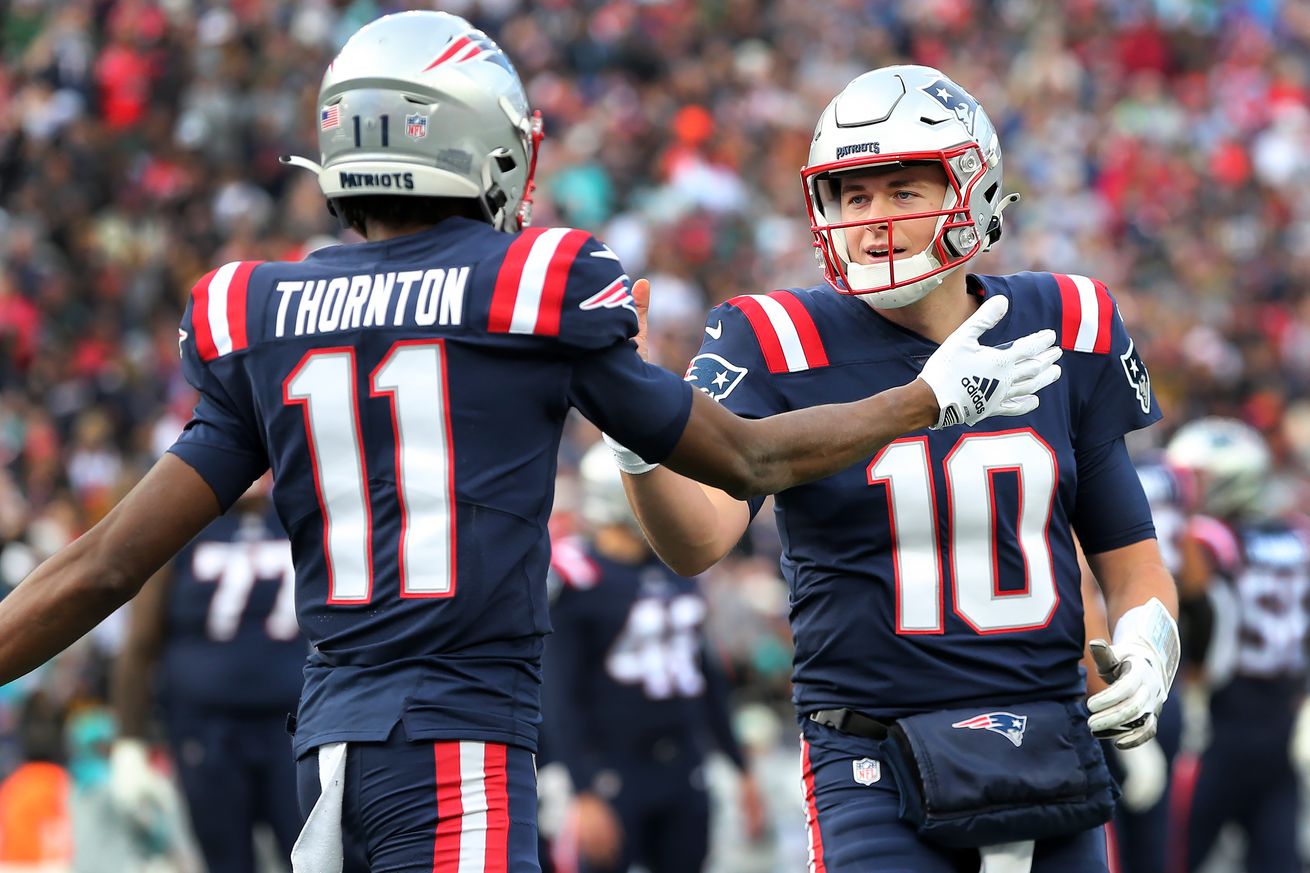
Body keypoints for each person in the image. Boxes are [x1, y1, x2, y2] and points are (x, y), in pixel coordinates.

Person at [0, 19, 1061, 873]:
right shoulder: (528, 287)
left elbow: (105, 563)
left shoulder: (256, 307)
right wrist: (924, 401)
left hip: (322, 757)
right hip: (458, 748)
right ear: (484, 142)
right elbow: (747, 463)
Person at [610, 65, 1178, 873]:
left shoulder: (1066, 320)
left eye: (905, 191)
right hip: (870, 755)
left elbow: (1131, 558)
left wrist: (1150, 646)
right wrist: (634, 425)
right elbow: (698, 538)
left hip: (1044, 740)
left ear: (975, 191)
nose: (874, 220)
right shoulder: (776, 337)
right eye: (853, 196)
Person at [540, 442, 764, 873]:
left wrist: (740, 766)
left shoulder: (676, 570)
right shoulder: (576, 576)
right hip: (609, 769)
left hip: (683, 765)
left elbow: (706, 675)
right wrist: (582, 789)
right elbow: (557, 693)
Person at [111, 480, 305, 873]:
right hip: (206, 728)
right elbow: (141, 641)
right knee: (225, 861)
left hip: (295, 725)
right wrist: (129, 742)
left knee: (314, 857)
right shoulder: (181, 525)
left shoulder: (302, 516)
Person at [1164, 418, 1308, 873]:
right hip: (1281, 718)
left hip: (1218, 723)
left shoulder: (1210, 538)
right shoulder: (1298, 534)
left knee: (1172, 856)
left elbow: (1194, 596)